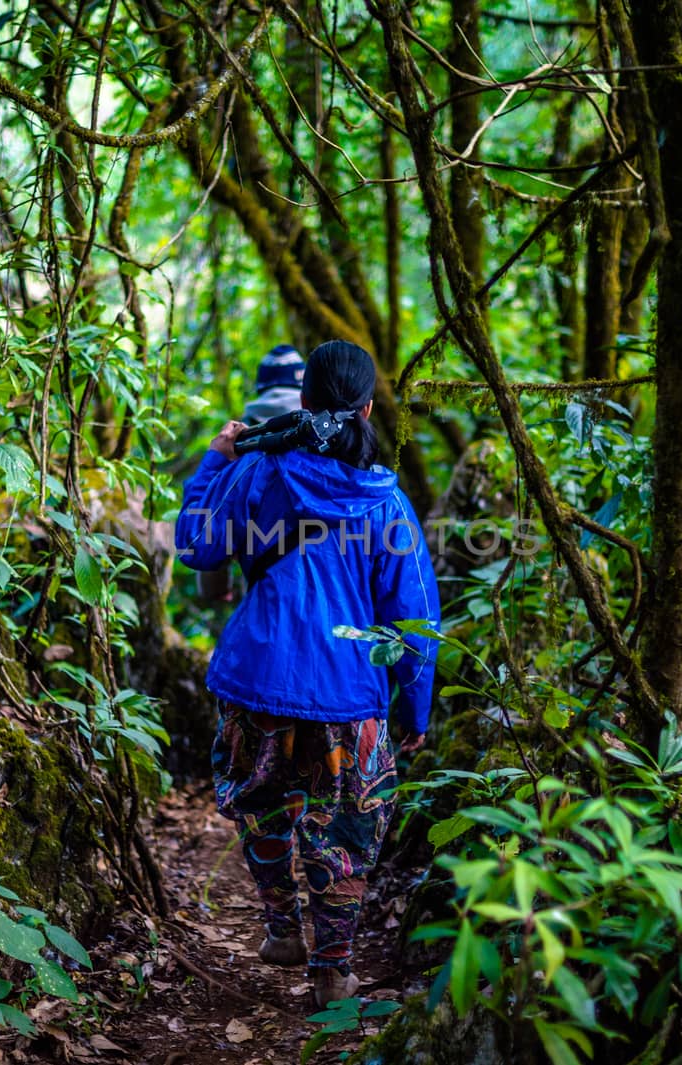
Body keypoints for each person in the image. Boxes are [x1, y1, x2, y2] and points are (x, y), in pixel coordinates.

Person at [174, 340, 440, 1007]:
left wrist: (216, 457)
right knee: (346, 829)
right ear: (369, 407)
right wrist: (415, 709)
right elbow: (413, 617)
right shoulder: (387, 502)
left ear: (304, 402)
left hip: (257, 678)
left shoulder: (260, 470)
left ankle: (282, 929)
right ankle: (331, 970)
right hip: (350, 697)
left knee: (263, 806)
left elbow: (196, 543)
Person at [197, 344, 306, 605]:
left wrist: (218, 588)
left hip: (263, 610)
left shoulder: (236, 453)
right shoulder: (331, 450)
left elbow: (206, 535)